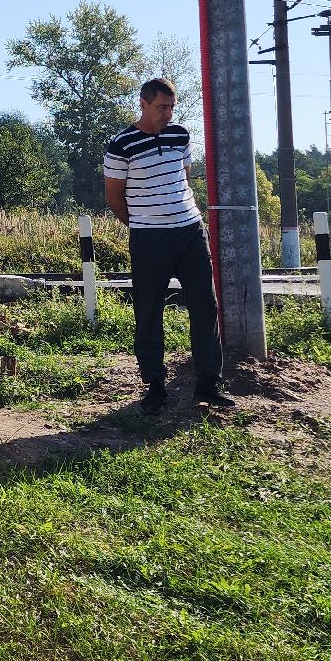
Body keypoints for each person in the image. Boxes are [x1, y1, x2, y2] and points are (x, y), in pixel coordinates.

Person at [103, 78, 233, 414]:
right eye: (162, 107)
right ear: (143, 104)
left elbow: (183, 178)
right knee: (149, 310)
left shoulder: (180, 135)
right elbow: (114, 197)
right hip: (150, 238)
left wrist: (181, 215)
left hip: (190, 231)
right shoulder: (121, 144)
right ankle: (155, 387)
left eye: (172, 107)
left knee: (205, 306)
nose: (168, 113)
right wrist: (143, 223)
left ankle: (209, 383)